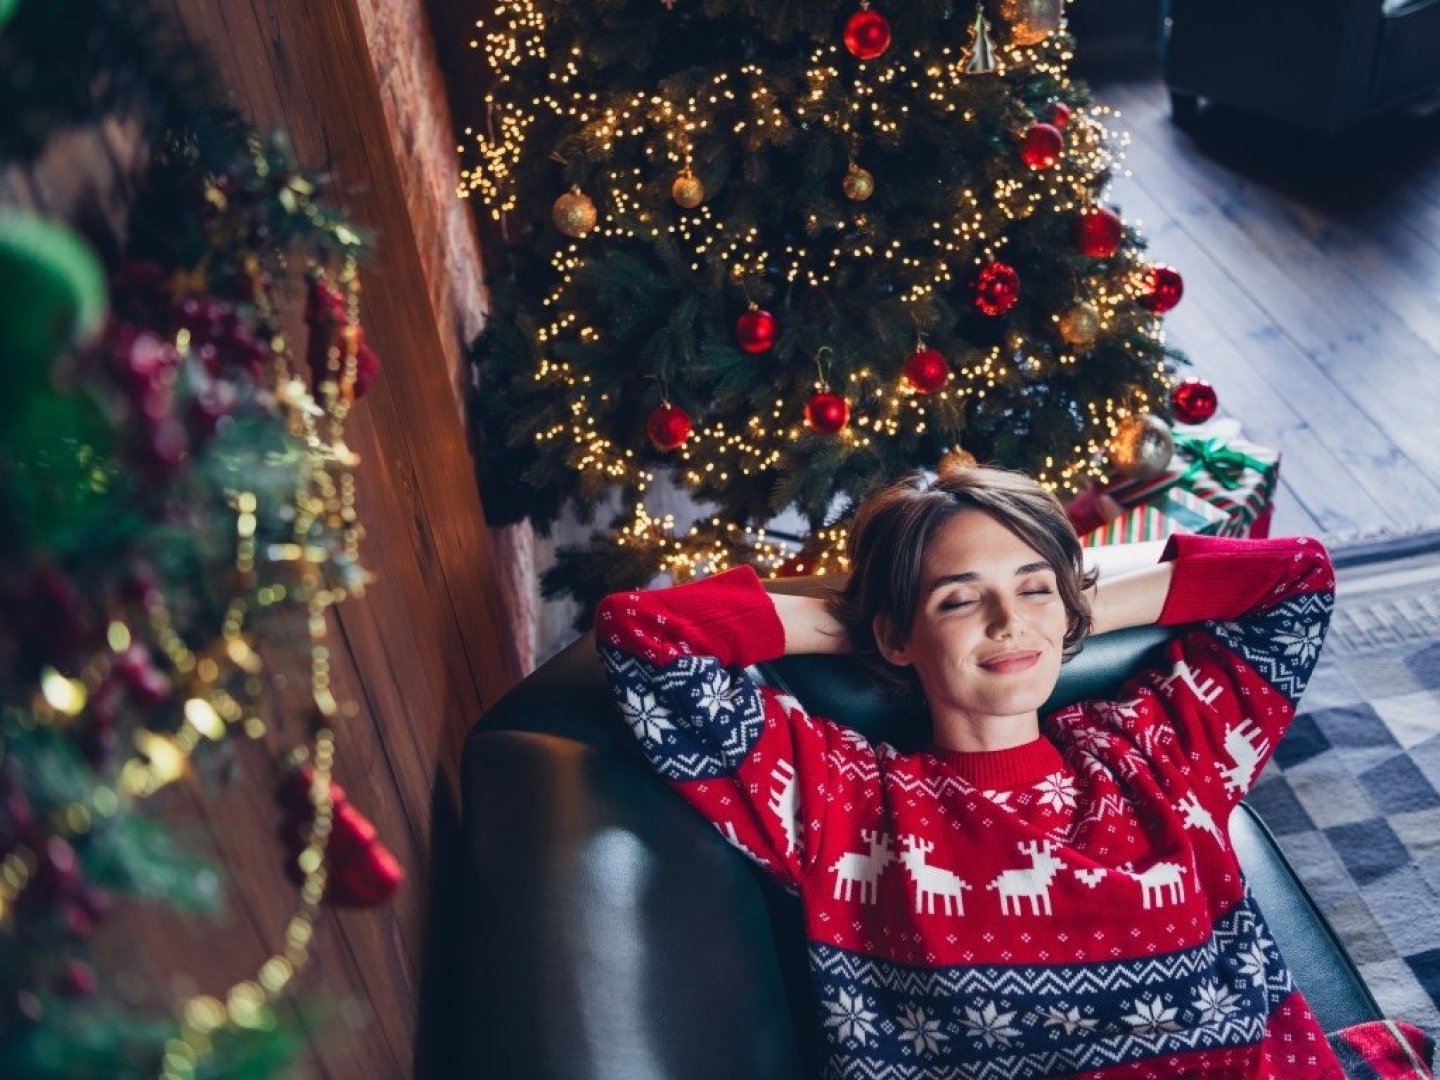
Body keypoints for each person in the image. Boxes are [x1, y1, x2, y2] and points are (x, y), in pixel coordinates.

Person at [593, 466, 1416, 1079]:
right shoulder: (845, 800)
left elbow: (1296, 577)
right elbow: (646, 636)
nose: (1006, 622)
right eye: (960, 600)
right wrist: (856, 618)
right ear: (895, 637)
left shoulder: (1159, 749)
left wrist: (1072, 606)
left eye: (1031, 590)